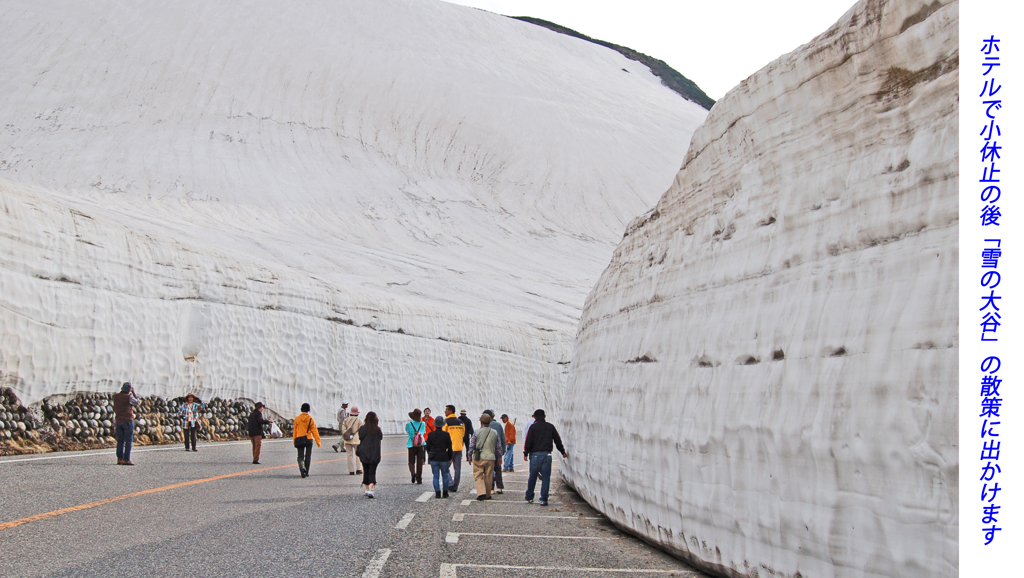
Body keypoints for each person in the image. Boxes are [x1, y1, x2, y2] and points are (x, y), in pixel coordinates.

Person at [522, 409, 568, 506]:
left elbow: (528, 441)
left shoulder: (533, 427)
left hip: (534, 455)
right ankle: (543, 499)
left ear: (534, 417)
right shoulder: (550, 427)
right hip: (547, 455)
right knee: (546, 478)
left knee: (532, 476)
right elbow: (557, 440)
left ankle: (529, 496)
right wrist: (562, 451)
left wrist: (526, 453)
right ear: (545, 416)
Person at [469, 413, 500, 500]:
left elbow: (472, 445)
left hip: (479, 457)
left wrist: (469, 456)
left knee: (478, 475)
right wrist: (500, 458)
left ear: (481, 422)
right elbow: (498, 447)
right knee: (489, 476)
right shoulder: (494, 432)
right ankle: (487, 494)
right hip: (491, 457)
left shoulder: (477, 432)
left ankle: (481, 493)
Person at [112, 382, 140, 466]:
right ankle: (126, 459)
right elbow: (137, 402)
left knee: (120, 440)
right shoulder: (129, 397)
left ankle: (119, 458)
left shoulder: (116, 396)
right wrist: (134, 393)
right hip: (127, 421)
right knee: (128, 440)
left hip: (118, 420)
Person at [356, 411, 383, 498]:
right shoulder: (377, 429)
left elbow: (360, 437)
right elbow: (381, 437)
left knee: (366, 470)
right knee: (372, 471)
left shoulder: (363, 428)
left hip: (364, 452)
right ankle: (371, 489)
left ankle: (367, 488)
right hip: (375, 453)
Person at [426, 415, 453, 498]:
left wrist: (430, 454)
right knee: (445, 475)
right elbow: (450, 447)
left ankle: (437, 493)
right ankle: (445, 492)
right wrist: (450, 457)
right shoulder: (446, 434)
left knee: (435, 476)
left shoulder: (431, 434)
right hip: (444, 457)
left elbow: (427, 447)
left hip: (434, 457)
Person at [441, 405, 467, 492]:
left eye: (446, 410)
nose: (445, 411)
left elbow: (443, 435)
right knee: (457, 468)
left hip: (449, 449)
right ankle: (455, 486)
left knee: (445, 467)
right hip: (459, 448)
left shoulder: (446, 422)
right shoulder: (461, 422)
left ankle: (450, 483)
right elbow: (463, 434)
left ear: (450, 411)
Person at [293, 403, 321, 478]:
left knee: (300, 456)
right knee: (308, 456)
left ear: (301, 409)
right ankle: (307, 471)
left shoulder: (297, 418)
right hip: (309, 439)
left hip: (299, 438)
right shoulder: (310, 419)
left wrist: (294, 440)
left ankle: (302, 467)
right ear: (309, 410)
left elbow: (295, 431)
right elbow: (315, 431)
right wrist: (318, 442)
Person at [483, 409, 506, 494]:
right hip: (497, 450)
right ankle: (499, 487)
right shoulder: (498, 425)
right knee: (498, 468)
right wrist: (503, 450)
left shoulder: (485, 426)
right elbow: (503, 438)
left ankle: (491, 488)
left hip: (488, 451)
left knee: (489, 469)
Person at [406, 408, 426, 484]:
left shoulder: (409, 424)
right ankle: (419, 478)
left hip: (411, 444)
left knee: (411, 461)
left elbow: (408, 431)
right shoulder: (423, 424)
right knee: (420, 462)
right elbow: (423, 432)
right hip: (421, 444)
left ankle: (413, 473)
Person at [342, 406, 364, 475]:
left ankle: (351, 470)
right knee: (358, 455)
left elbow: (343, 429)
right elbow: (362, 430)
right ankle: (359, 469)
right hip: (356, 440)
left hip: (347, 440)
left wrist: (347, 435)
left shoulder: (346, 420)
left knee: (349, 455)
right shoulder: (359, 420)